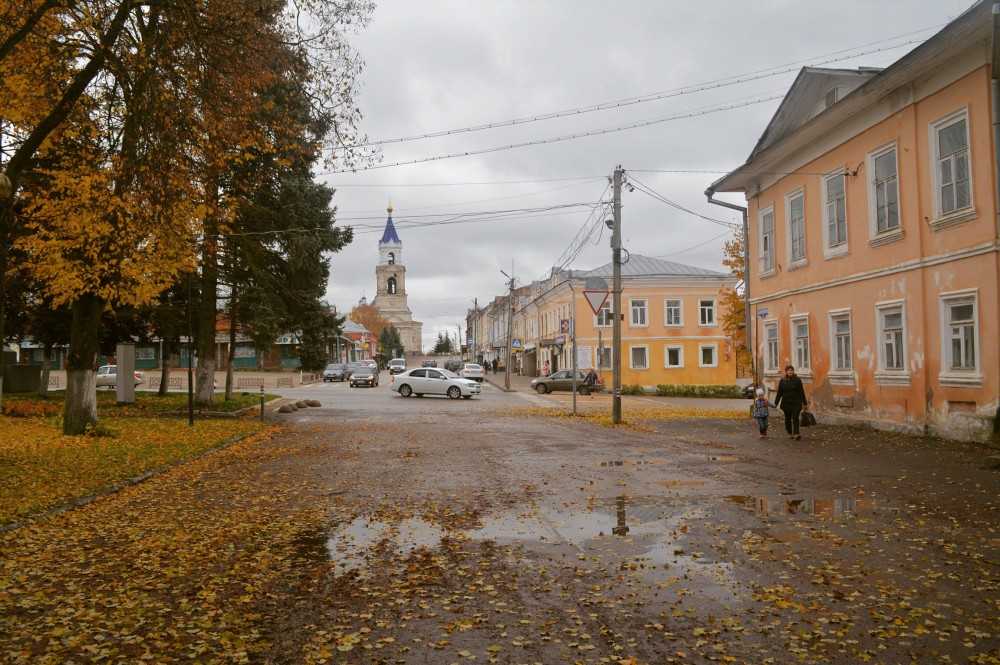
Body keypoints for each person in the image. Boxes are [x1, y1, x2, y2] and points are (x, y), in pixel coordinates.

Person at [775, 365, 808, 440]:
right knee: (788, 418)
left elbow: (801, 392)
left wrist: (805, 403)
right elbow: (779, 393)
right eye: (788, 370)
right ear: (786, 372)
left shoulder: (797, 380)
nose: (790, 371)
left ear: (793, 371)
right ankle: (790, 432)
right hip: (786, 403)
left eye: (791, 370)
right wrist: (776, 403)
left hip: (796, 402)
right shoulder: (782, 381)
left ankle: (796, 433)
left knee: (795, 417)